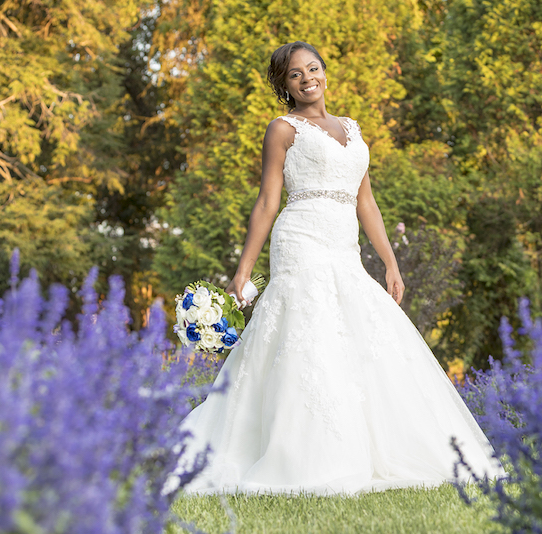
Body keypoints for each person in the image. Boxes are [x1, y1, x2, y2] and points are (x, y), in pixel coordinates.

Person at [170, 41, 504, 496]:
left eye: (313, 68)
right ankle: (302, 453)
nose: (307, 78)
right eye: (294, 74)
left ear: (324, 72)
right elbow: (269, 201)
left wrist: (390, 262)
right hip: (300, 240)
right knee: (308, 333)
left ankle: (371, 446)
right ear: (284, 85)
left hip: (344, 248)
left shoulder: (352, 129)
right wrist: (243, 270)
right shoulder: (282, 130)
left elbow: (366, 201)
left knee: (362, 331)